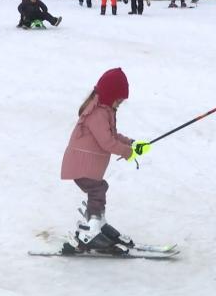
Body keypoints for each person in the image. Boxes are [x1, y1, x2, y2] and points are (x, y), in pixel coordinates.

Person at [61, 68, 151, 250]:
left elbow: (114, 136)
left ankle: (98, 224)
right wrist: (128, 153)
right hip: (80, 166)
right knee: (97, 190)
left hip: (87, 167)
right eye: (119, 100)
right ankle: (91, 231)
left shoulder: (105, 111)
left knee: (99, 189)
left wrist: (132, 144)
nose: (119, 104)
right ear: (111, 96)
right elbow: (107, 143)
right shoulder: (97, 114)